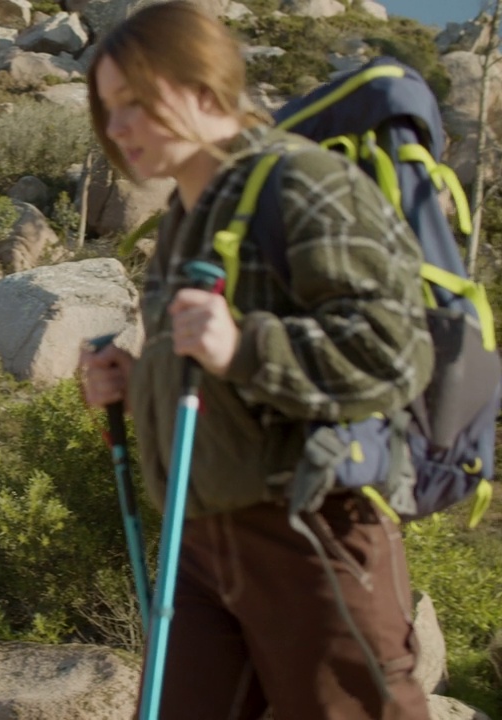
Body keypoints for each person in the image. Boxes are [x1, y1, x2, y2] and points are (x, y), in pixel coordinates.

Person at [78, 2, 433, 719]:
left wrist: (244, 346)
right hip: (203, 543)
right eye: (106, 109)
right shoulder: (185, 216)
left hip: (311, 531)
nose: (115, 129)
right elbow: (212, 372)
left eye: (134, 103)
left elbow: (394, 356)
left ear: (205, 90)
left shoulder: (304, 183)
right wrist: (134, 380)